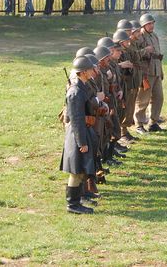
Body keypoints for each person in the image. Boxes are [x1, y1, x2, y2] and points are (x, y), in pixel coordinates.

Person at [60, 55, 99, 214]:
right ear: (83, 72)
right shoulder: (75, 92)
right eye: (90, 69)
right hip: (78, 134)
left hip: (84, 131)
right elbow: (76, 120)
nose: (92, 70)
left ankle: (77, 201)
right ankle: (72, 205)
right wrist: (81, 142)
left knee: (82, 169)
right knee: (76, 172)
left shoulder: (83, 86)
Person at [134, 13, 165, 132]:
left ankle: (153, 122)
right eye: (149, 24)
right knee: (143, 100)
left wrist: (161, 71)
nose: (151, 25)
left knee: (158, 98)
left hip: (156, 71)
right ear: (143, 25)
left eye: (152, 23)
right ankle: (139, 124)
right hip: (146, 72)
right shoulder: (140, 36)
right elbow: (134, 54)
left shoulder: (154, 36)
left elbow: (158, 55)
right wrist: (145, 50)